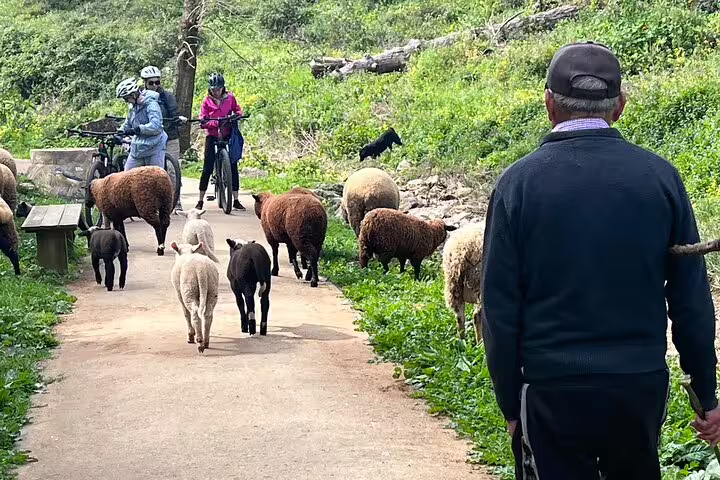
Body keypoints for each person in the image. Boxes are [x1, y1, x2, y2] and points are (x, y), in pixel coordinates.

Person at [481, 41, 720, 480]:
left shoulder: (517, 186)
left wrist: (510, 401)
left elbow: (497, 309)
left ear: (549, 104)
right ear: (621, 106)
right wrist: (707, 394)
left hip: (551, 388)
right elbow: (691, 300)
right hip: (637, 385)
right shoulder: (660, 178)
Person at [197, 72, 244, 211]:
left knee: (233, 165)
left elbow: (237, 110)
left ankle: (235, 199)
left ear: (223, 88)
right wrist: (207, 122)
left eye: (218, 89)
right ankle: (200, 199)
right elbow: (202, 119)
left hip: (227, 134)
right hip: (212, 135)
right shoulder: (206, 102)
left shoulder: (230, 98)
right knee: (207, 167)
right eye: (213, 89)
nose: (216, 92)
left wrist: (237, 115)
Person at [140, 65, 185, 210]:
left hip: (170, 136)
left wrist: (176, 120)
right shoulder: (140, 98)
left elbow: (174, 112)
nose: (155, 86)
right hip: (151, 139)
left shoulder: (167, 97)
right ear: (145, 83)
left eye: (157, 82)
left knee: (172, 169)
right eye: (151, 83)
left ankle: (176, 201)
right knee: (149, 171)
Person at [115, 77, 167, 171]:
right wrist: (120, 132)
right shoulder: (133, 107)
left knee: (155, 179)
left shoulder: (151, 105)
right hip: (138, 149)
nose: (126, 101)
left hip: (154, 147)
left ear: (134, 95)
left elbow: (156, 126)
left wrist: (138, 129)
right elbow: (128, 123)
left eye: (127, 98)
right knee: (126, 178)